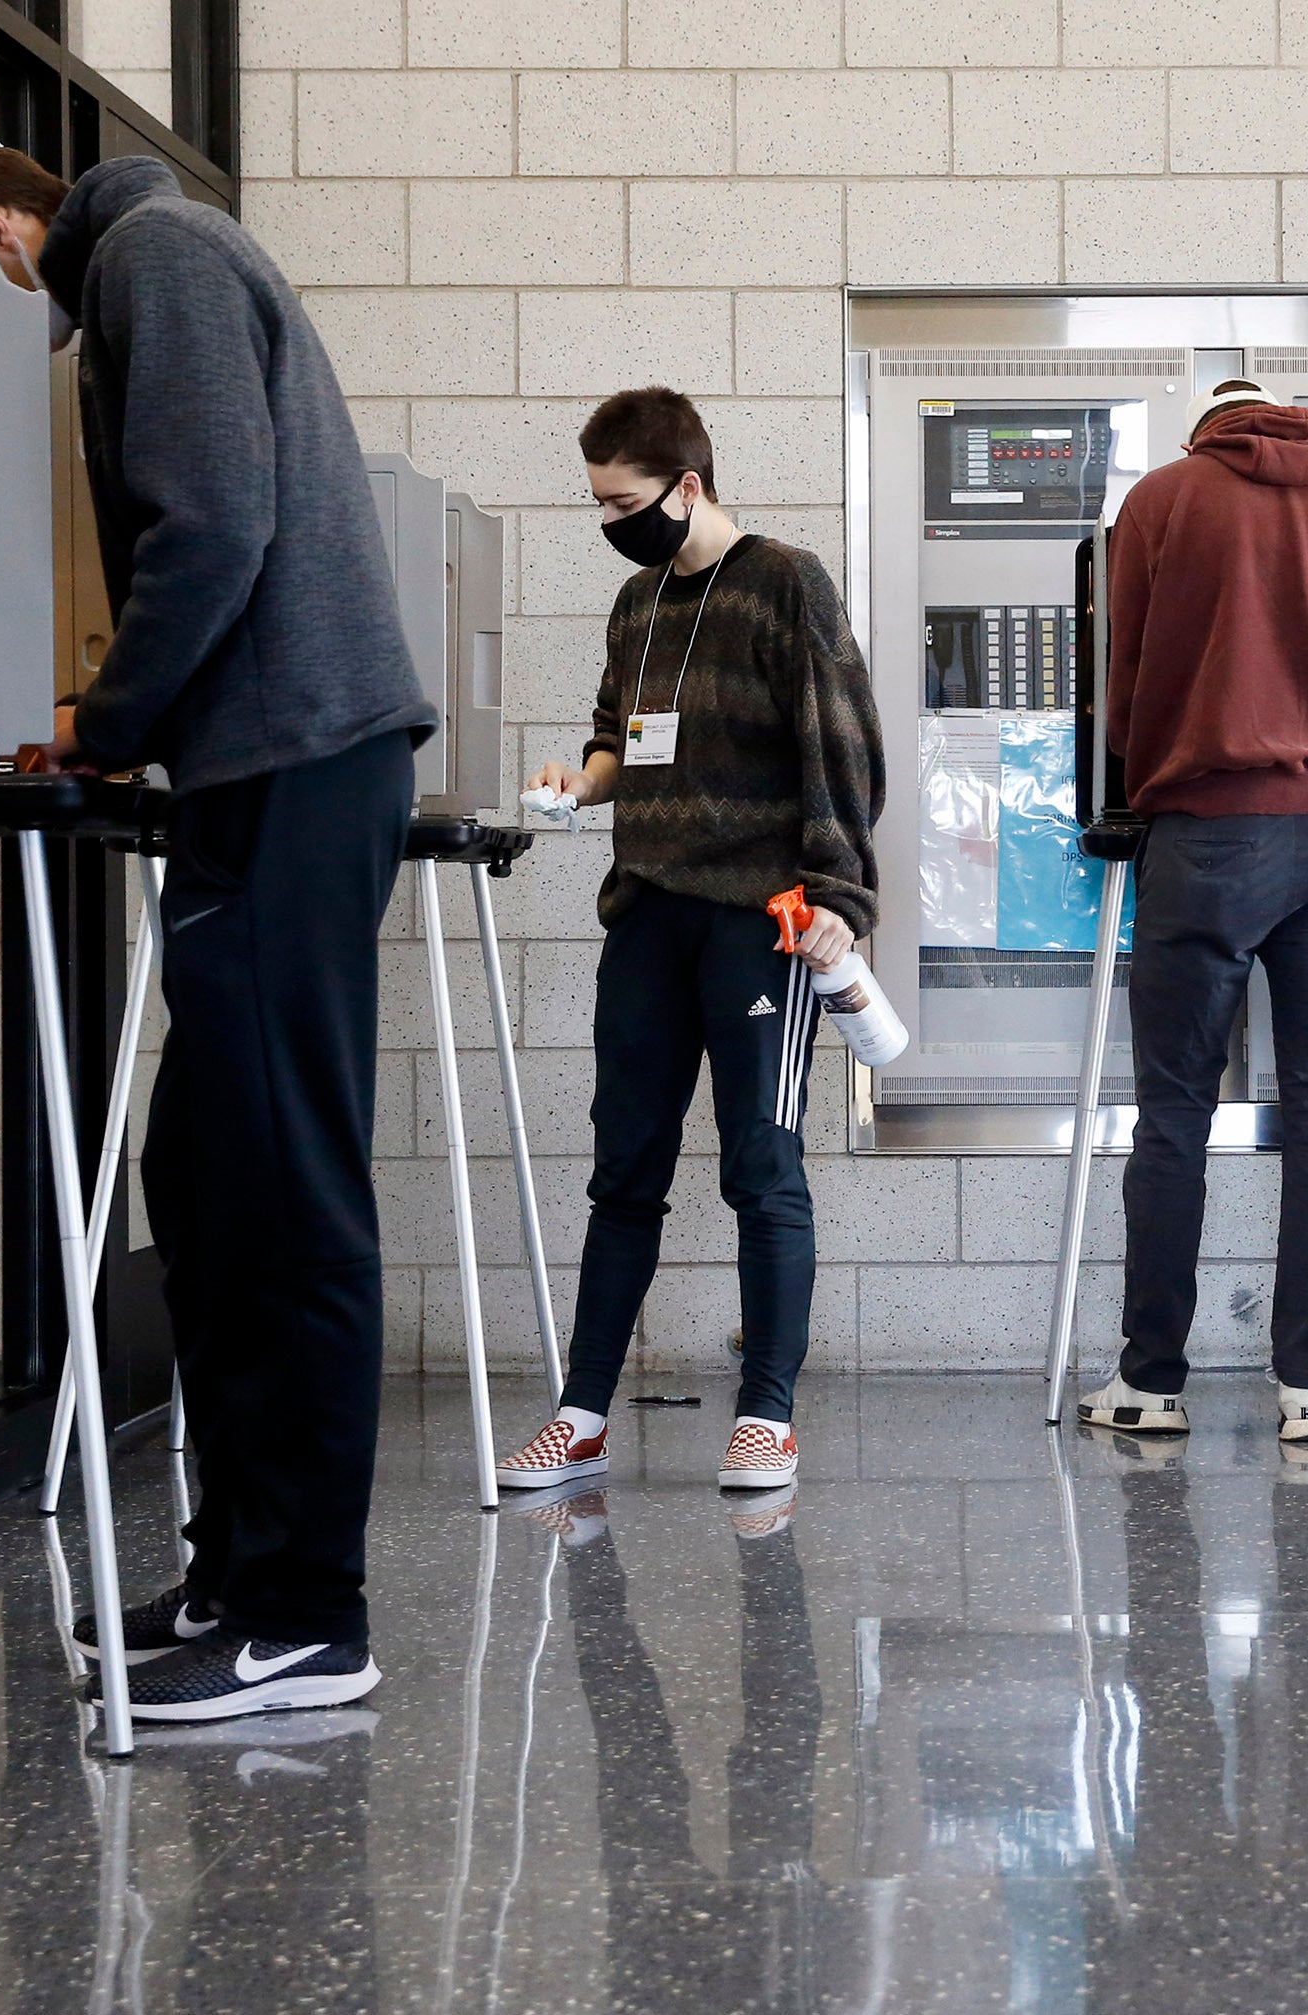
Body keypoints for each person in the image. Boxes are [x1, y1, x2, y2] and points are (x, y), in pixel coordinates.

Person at [0, 126, 434, 1721]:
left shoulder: (155, 261)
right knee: (208, 1173)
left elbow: (217, 527)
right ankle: (244, 1573)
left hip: (296, 764)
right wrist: (114, 717)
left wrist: (108, 720)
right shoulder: (155, 257)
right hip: (268, 761)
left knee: (287, 1184)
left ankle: (313, 1613)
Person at [506, 388, 884, 1498]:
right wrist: (579, 783)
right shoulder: (635, 602)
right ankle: (580, 1414)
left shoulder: (786, 581)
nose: (613, 522)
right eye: (597, 505)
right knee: (624, 1168)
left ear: (688, 485)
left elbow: (844, 750)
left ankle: (767, 1414)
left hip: (761, 920)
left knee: (762, 1171)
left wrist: (839, 899)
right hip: (649, 910)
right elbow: (618, 731)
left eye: (625, 501)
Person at [1072, 379, 1308, 1447]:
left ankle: (1151, 1381)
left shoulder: (1163, 502)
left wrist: (1152, 779)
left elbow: (1127, 675)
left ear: (1207, 430)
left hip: (1204, 834)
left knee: (1174, 1113)